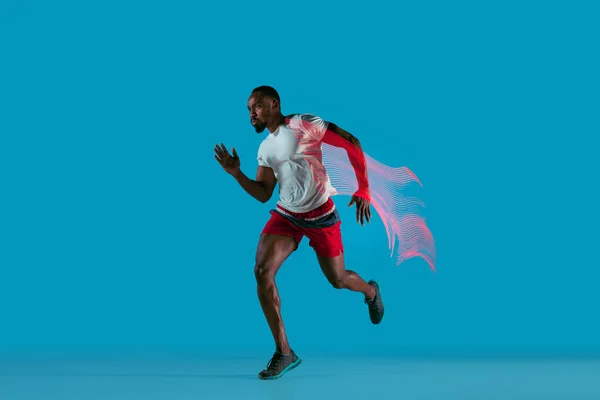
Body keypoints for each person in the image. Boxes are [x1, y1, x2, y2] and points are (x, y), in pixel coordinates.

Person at [213, 86, 384, 380]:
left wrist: (364, 188)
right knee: (262, 270)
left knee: (338, 280)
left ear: (274, 105)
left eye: (256, 107)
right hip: (287, 216)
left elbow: (351, 142)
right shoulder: (265, 148)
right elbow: (264, 193)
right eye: (248, 109)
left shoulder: (304, 124)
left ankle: (371, 291)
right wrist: (236, 174)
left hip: (321, 215)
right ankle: (285, 352)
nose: (251, 113)